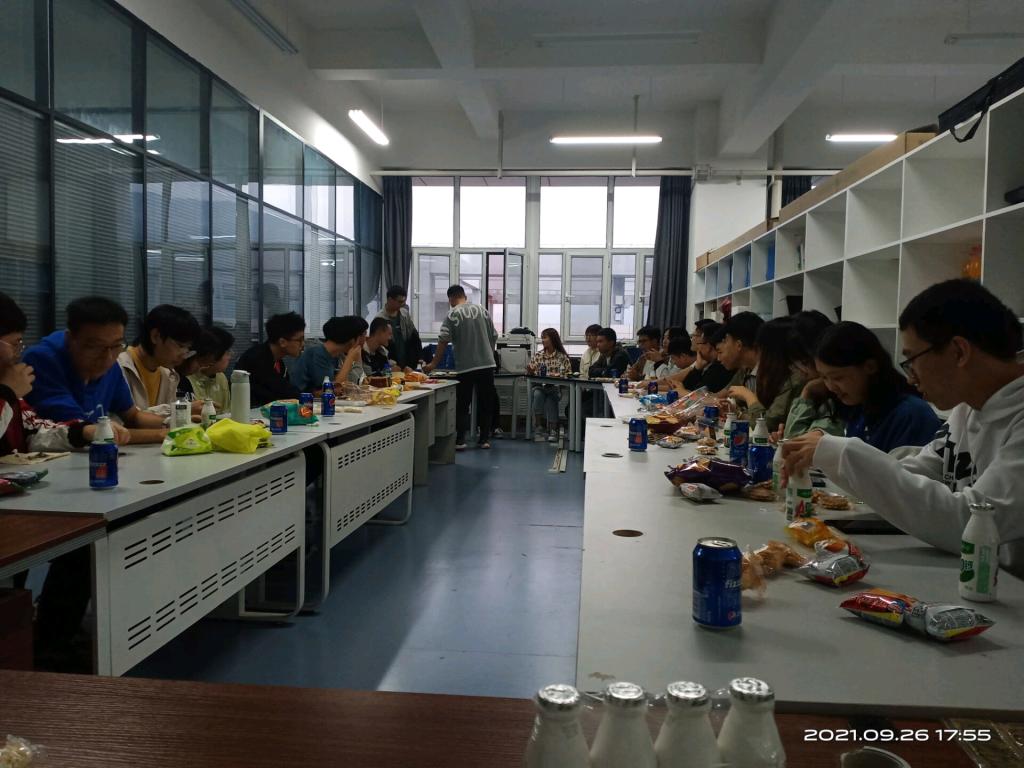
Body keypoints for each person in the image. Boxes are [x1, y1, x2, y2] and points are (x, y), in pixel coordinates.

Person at [783, 279, 1024, 574]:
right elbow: (916, 471)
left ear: (959, 352)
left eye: (912, 360)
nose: (910, 377)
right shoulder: (968, 409)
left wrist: (843, 454)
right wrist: (830, 457)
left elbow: (971, 524)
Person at [23, 296, 168, 442]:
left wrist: (171, 423)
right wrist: (163, 435)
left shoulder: (109, 361)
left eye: (116, 345)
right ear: (70, 339)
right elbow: (83, 431)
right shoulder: (43, 361)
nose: (108, 357)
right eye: (95, 347)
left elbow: (133, 416)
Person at [1, 292, 129, 455]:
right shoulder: (39, 363)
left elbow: (33, 432)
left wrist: (84, 432)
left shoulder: (9, 390)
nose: (18, 354)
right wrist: (7, 393)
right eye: (14, 344)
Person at [802, 321, 940, 451]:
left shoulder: (910, 415)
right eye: (824, 377)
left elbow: (894, 469)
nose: (831, 387)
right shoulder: (860, 408)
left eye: (838, 378)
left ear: (870, 367)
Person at [424, 285, 498, 450]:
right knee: (486, 403)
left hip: (465, 367)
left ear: (451, 298)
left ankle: (460, 440)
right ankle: (484, 439)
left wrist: (433, 364)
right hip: (486, 364)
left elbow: (443, 340)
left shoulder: (452, 314)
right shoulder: (483, 310)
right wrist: (488, 353)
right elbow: (494, 335)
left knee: (463, 404)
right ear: (464, 296)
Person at [118, 304, 201, 419]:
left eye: (187, 348)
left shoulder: (168, 375)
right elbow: (128, 419)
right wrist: (180, 409)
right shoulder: (119, 367)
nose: (183, 354)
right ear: (155, 336)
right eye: (180, 346)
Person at [726, 317, 807, 433]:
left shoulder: (794, 379)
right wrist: (738, 412)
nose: (758, 354)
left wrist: (748, 396)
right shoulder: (772, 373)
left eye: (760, 349)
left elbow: (766, 425)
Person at [780, 311, 845, 439]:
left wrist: (807, 392)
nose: (800, 370)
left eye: (803, 363)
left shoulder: (839, 397)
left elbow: (795, 442)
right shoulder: (818, 392)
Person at [235, 312, 305, 407]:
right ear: (282, 342)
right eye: (299, 340)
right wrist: (307, 397)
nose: (302, 344)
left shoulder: (277, 360)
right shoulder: (257, 359)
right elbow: (283, 391)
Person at [290, 316, 358, 394]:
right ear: (351, 339)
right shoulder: (317, 353)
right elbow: (332, 389)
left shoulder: (335, 355)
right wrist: (350, 359)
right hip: (302, 399)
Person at [526, 328, 572, 442]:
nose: (543, 340)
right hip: (539, 386)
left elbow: (568, 374)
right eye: (542, 338)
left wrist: (558, 376)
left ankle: (553, 430)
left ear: (553, 339)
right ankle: (538, 427)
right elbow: (530, 372)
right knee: (537, 395)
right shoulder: (538, 355)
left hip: (554, 387)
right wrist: (530, 371)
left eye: (545, 337)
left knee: (552, 398)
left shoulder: (562, 357)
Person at [676, 321, 734, 394]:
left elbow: (699, 395)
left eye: (699, 343)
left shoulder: (721, 367)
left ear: (709, 346)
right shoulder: (710, 364)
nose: (698, 348)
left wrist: (682, 391)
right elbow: (687, 387)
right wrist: (697, 369)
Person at [715, 311, 763, 394]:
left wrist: (746, 395)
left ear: (739, 345)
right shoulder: (745, 370)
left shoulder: (774, 372)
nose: (724, 346)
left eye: (726, 341)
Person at [375, 285, 422, 370]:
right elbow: (379, 347)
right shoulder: (380, 319)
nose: (403, 304)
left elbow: (414, 337)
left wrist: (417, 359)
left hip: (407, 362)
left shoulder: (404, 314)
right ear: (390, 300)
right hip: (391, 363)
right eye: (400, 302)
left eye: (404, 301)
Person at [188, 326, 235, 411]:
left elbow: (226, 411)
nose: (230, 356)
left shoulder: (221, 377)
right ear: (213, 354)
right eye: (227, 352)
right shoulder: (187, 377)